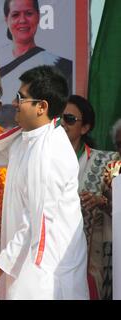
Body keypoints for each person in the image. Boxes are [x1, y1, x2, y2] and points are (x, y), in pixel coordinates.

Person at [0, 65, 88, 299]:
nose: (14, 102)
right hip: (22, 266)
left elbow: (37, 220)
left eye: (21, 97)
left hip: (47, 275)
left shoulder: (52, 152)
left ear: (42, 107)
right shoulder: (24, 139)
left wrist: (0, 265)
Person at [62, 95, 120, 299]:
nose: (61, 123)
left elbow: (119, 208)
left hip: (91, 260)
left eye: (69, 119)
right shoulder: (41, 158)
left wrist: (101, 201)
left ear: (85, 128)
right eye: (58, 118)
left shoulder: (108, 161)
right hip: (49, 255)